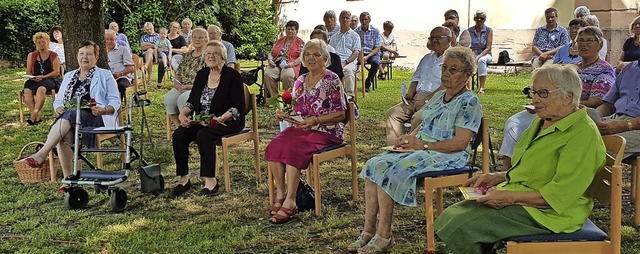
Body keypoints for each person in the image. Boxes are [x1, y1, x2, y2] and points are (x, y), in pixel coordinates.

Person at [434, 64, 606, 254]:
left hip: (550, 214)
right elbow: (533, 169)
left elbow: (559, 195)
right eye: (533, 92)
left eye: (543, 93)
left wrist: (510, 197)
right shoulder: (543, 121)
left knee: (464, 225)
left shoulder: (582, 134)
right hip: (524, 198)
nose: (535, 99)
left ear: (568, 97)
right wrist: (499, 176)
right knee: (452, 214)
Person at [350, 46, 483, 253]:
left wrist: (424, 145)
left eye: (453, 70)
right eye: (444, 68)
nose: (446, 74)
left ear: (468, 75)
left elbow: (460, 143)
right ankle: (368, 230)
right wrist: (409, 138)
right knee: (374, 164)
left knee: (389, 169)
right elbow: (425, 124)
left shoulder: (469, 102)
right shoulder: (439, 97)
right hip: (425, 149)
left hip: (449, 156)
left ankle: (384, 235)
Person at [265, 39, 346, 224]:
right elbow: (295, 108)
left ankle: (291, 201)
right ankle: (282, 193)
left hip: (327, 132)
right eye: (307, 55)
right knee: (274, 146)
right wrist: (284, 114)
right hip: (302, 129)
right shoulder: (300, 80)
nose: (311, 58)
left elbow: (341, 114)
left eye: (316, 55)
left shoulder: (331, 79)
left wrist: (316, 120)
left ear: (325, 59)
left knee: (294, 148)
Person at [20, 40, 121, 181]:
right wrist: (59, 108)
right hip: (71, 118)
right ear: (77, 56)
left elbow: (115, 101)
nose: (84, 57)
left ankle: (42, 154)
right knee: (65, 132)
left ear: (96, 57)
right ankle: (70, 179)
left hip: (96, 116)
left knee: (70, 115)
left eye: (89, 54)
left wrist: (103, 110)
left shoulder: (105, 75)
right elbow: (59, 100)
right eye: (81, 54)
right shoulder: (69, 75)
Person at [172, 40, 245, 197]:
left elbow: (239, 107)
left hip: (227, 121)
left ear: (223, 57)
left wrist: (220, 118)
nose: (211, 56)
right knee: (179, 134)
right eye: (208, 54)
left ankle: (210, 181)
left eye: (215, 54)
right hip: (202, 120)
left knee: (203, 134)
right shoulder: (202, 74)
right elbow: (192, 101)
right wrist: (182, 114)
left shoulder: (233, 76)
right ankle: (184, 178)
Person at [385, 26, 451, 145]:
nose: (434, 41)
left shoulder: (452, 59)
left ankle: (412, 151)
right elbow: (416, 77)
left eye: (438, 38)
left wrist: (426, 100)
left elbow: (447, 86)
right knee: (392, 114)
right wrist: (410, 92)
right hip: (415, 98)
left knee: (419, 118)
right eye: (431, 38)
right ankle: (396, 149)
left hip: (436, 100)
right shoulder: (427, 58)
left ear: (449, 40)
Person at [164, 28, 208, 129]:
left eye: (200, 37)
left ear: (206, 39)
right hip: (183, 86)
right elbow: (179, 72)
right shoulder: (188, 55)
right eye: (195, 37)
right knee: (169, 98)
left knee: (183, 99)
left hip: (198, 88)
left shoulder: (207, 56)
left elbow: (209, 78)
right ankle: (178, 126)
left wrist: (191, 87)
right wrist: (177, 84)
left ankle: (188, 127)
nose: (197, 40)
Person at [597, 57, 640, 158]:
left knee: (598, 145)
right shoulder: (629, 69)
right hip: (615, 118)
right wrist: (596, 117)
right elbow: (608, 104)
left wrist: (626, 125)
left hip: (635, 125)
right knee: (578, 132)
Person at [23, 32, 62, 125]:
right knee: (27, 92)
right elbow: (28, 71)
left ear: (48, 42)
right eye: (39, 42)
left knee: (41, 90)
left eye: (43, 42)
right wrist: (32, 77)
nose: (41, 44)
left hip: (49, 79)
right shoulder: (31, 55)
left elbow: (56, 72)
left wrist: (43, 76)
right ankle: (36, 117)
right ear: (35, 43)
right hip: (34, 79)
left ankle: (33, 115)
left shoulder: (53, 55)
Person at [573, 26, 614, 108]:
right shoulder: (572, 66)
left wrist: (565, 105)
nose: (584, 44)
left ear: (600, 45)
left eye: (589, 41)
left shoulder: (604, 69)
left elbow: (595, 102)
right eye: (580, 40)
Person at [265, 20, 304, 98]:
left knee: (287, 76)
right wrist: (270, 60)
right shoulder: (280, 40)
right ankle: (275, 98)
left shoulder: (300, 42)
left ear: (296, 31)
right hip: (277, 63)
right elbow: (271, 53)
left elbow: (302, 56)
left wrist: (292, 64)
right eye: (288, 29)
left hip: (291, 65)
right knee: (268, 74)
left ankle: (289, 98)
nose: (290, 31)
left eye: (292, 29)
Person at [329, 10, 361, 100]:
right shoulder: (334, 37)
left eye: (347, 18)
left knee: (348, 71)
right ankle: (332, 97)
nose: (345, 20)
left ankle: (350, 97)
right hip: (336, 61)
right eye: (343, 17)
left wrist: (345, 62)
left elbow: (356, 53)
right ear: (339, 19)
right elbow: (330, 52)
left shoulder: (355, 36)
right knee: (327, 72)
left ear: (350, 20)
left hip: (349, 61)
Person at [355, 12, 381, 93]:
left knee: (376, 63)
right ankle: (351, 85)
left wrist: (367, 57)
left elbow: (377, 47)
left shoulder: (375, 31)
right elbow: (354, 47)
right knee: (349, 63)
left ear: (369, 20)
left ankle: (367, 83)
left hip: (372, 53)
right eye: (362, 20)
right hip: (359, 53)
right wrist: (360, 56)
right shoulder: (356, 31)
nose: (364, 21)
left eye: (365, 19)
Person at [105, 29, 135, 100]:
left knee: (119, 85)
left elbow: (131, 67)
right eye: (107, 39)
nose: (109, 41)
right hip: (106, 78)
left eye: (112, 39)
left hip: (121, 77)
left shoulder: (123, 49)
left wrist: (120, 73)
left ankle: (117, 105)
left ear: (116, 39)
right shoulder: (100, 51)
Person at [469, 10, 493, 94]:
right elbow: (468, 45)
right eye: (477, 18)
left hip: (485, 53)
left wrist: (479, 56)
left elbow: (488, 47)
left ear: (484, 20)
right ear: (474, 19)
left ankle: (482, 87)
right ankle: (466, 85)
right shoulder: (469, 31)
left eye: (481, 18)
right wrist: (472, 55)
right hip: (472, 53)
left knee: (481, 60)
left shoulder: (488, 30)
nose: (479, 20)